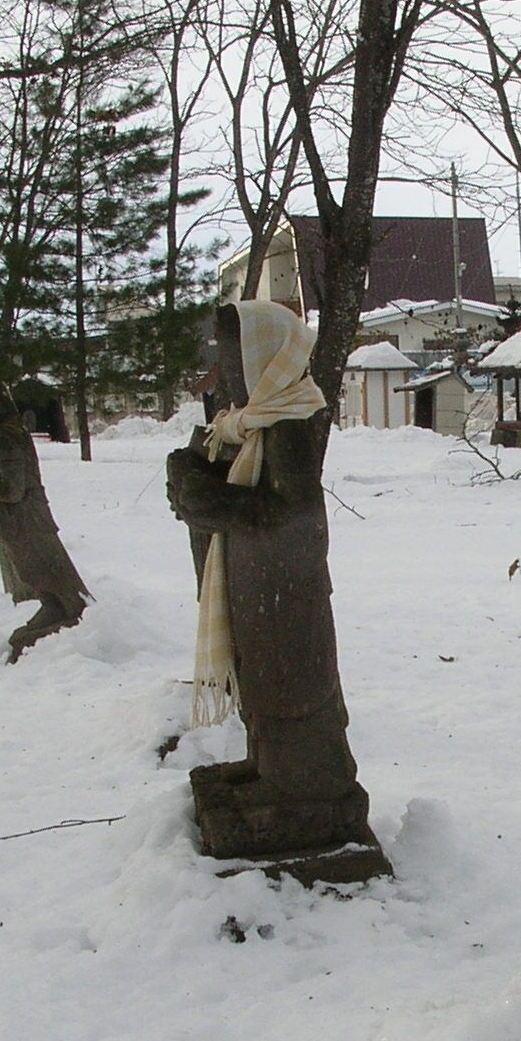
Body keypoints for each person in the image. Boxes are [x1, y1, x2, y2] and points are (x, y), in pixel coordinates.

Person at [165, 302, 381, 873]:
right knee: (259, 681)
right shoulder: (251, 420)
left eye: (235, 355)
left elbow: (290, 512)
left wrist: (208, 500)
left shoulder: (289, 423)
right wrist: (195, 480)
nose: (226, 368)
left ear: (265, 357)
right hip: (253, 577)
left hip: (287, 590)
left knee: (290, 687)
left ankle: (305, 787)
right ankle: (268, 767)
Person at [0, 367, 89, 662]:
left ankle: (67, 611)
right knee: (34, 572)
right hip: (19, 521)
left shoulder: (7, 438)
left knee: (46, 569)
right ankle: (53, 606)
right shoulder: (5, 434)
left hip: (27, 520)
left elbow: (12, 491)